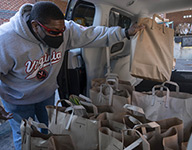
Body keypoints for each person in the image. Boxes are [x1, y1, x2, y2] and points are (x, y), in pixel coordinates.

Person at [0, 1, 144, 150]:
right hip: (18, 100)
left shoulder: (65, 30)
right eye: (54, 32)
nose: (61, 36)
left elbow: (93, 34)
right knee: (24, 136)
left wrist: (124, 33)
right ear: (36, 26)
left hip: (46, 94)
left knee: (49, 131)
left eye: (62, 30)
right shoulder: (6, 39)